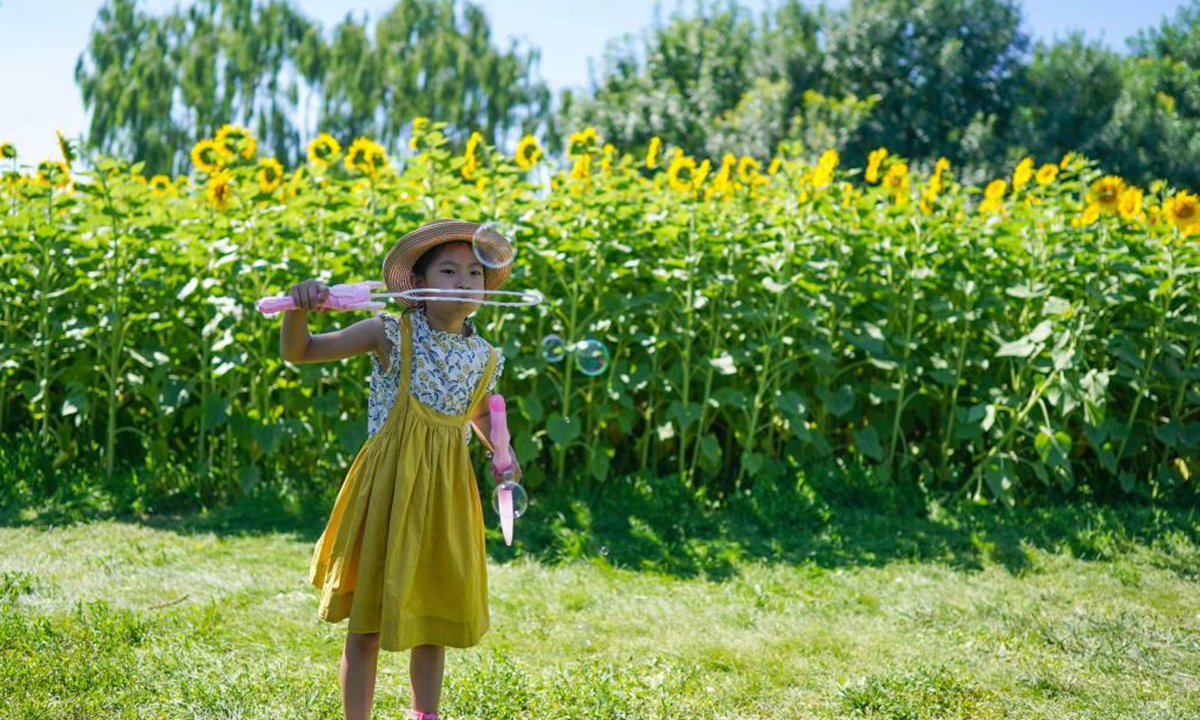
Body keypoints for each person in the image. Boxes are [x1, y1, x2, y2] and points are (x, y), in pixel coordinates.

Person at [279, 218, 522, 720]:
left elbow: (480, 412)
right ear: (420, 284)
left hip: (445, 496)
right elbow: (300, 352)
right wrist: (297, 309)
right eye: (449, 270)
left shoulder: (484, 356)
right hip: (389, 490)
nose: (463, 282)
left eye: (475, 273)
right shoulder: (389, 332)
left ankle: (424, 715)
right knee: (366, 627)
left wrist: (504, 455)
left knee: (432, 623)